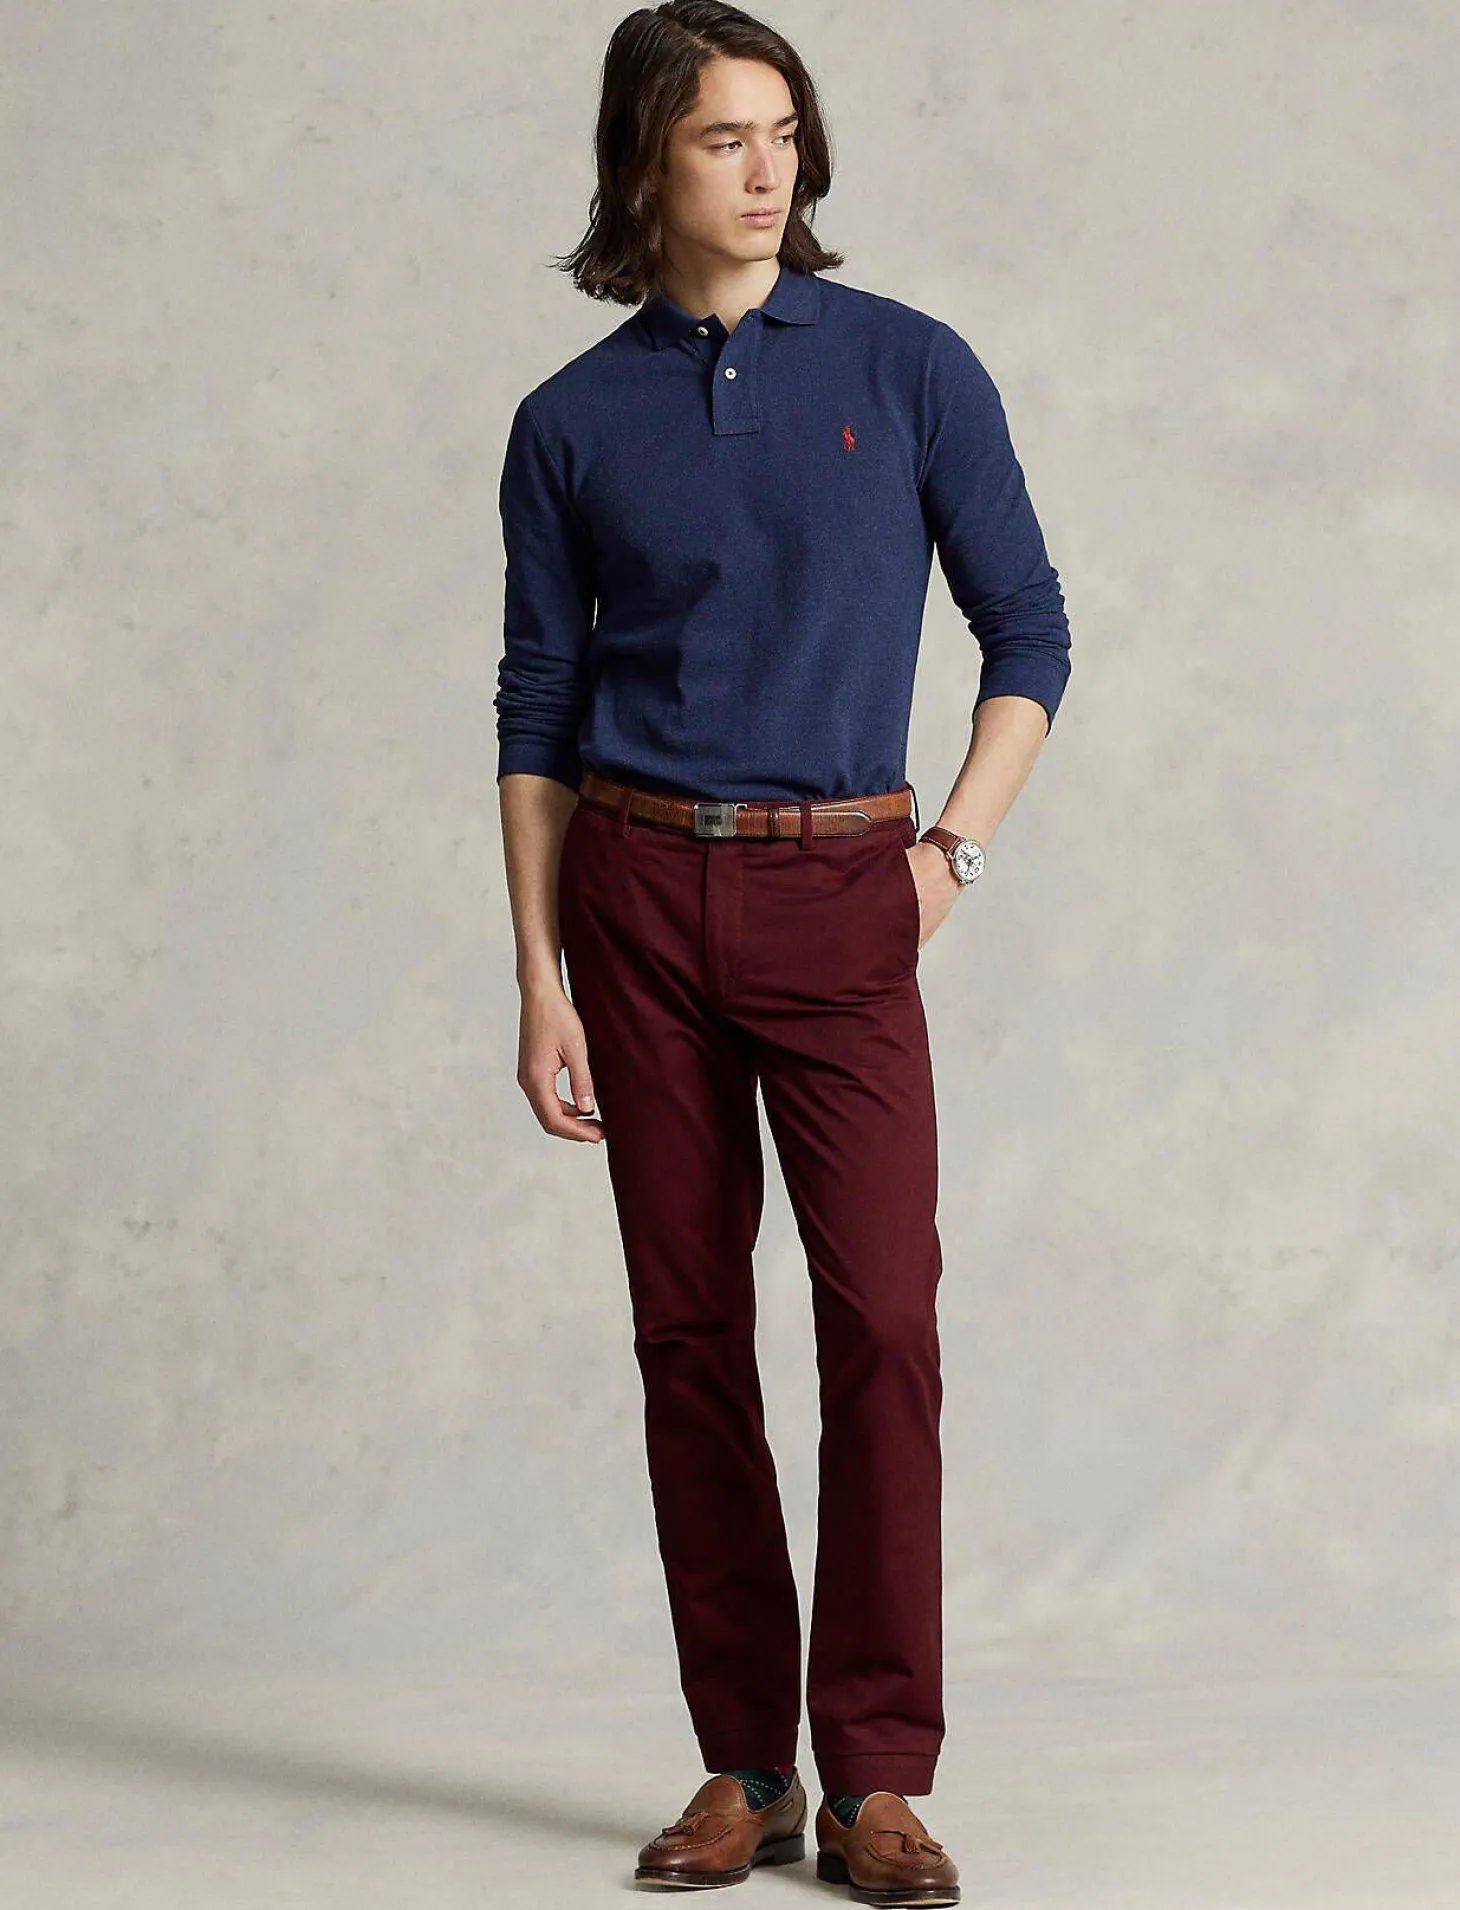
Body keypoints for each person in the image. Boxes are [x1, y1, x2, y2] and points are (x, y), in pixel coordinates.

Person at [494, 3, 1071, 1899]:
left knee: (883, 1318)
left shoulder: (908, 367)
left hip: (843, 893)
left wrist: (948, 855)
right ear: (644, 164)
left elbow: (1030, 631)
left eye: (784, 132)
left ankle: (877, 1772)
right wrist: (538, 971)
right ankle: (744, 1759)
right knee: (688, 1333)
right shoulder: (571, 421)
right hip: (635, 901)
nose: (768, 168)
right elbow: (537, 705)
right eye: (723, 138)